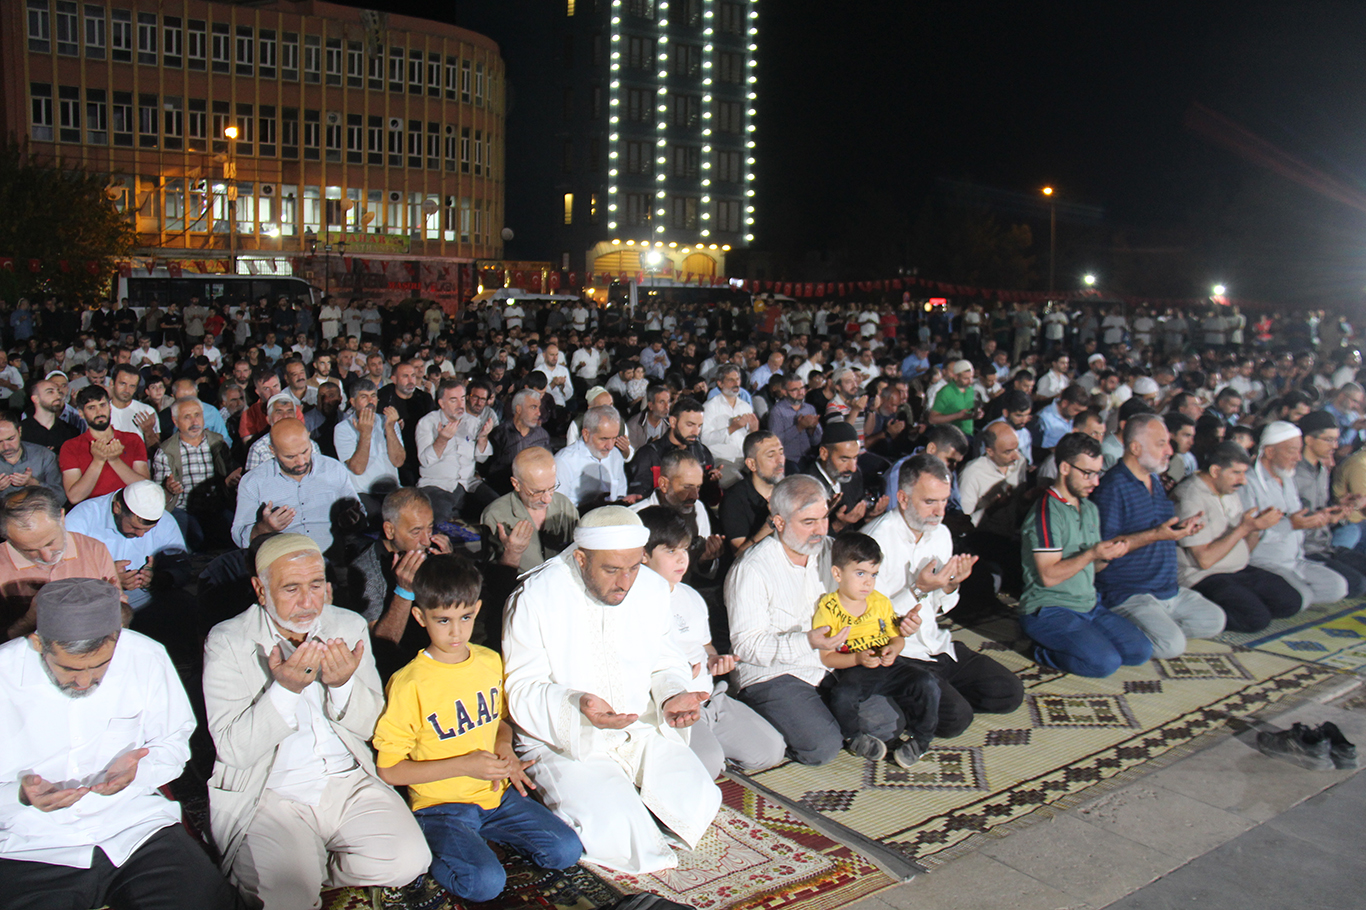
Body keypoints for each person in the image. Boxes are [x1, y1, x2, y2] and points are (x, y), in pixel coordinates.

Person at [203, 534, 431, 908]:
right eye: (291, 589)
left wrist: (342, 686)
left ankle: (310, 870)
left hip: (347, 780)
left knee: (409, 860)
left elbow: (379, 728)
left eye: (315, 586)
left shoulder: (348, 625)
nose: (309, 603)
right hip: (272, 794)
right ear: (260, 590)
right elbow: (233, 750)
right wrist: (286, 691)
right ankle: (296, 872)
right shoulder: (228, 641)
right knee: (286, 901)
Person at [502, 506, 720, 873]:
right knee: (622, 834)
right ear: (582, 558)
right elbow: (521, 687)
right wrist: (577, 704)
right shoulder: (537, 595)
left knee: (696, 802)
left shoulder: (650, 587)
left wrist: (672, 693)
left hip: (639, 726)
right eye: (612, 570)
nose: (625, 582)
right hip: (568, 738)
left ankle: (628, 792)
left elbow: (665, 659)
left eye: (633, 567)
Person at [0, 578, 240, 910]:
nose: (85, 682)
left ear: (116, 638)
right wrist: (19, 795)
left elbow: (173, 743)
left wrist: (138, 772)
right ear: (39, 643)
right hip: (31, 842)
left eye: (100, 666)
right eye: (70, 669)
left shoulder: (145, 656)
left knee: (206, 900)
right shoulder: (4, 675)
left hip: (133, 826)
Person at [373, 552, 585, 902]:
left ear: (477, 608)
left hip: (494, 795)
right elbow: (389, 770)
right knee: (485, 884)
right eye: (443, 620)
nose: (456, 632)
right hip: (440, 807)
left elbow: (501, 720)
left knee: (565, 851)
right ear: (420, 617)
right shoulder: (409, 683)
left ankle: (481, 839)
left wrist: (504, 747)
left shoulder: (489, 661)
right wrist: (465, 764)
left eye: (466, 616)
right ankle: (432, 852)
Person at [725, 475, 908, 766]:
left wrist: (899, 625)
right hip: (773, 673)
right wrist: (807, 641)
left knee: (889, 724)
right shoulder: (751, 569)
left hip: (828, 664)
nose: (820, 529)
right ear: (779, 522)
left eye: (824, 518)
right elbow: (747, 647)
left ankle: (819, 715)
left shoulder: (832, 552)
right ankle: (754, 717)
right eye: (808, 522)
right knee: (821, 748)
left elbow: (867, 599)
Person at [864, 455, 1024, 732]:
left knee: (1009, 692)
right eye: (929, 502)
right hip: (897, 653)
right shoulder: (874, 541)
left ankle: (934, 697)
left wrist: (950, 586)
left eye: (943, 501)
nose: (939, 511)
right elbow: (865, 619)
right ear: (902, 498)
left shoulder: (941, 534)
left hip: (935, 645)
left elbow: (940, 607)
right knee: (955, 719)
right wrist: (918, 589)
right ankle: (903, 699)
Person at [639, 506, 785, 779]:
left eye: (684, 550)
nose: (681, 559)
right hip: (670, 707)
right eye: (670, 551)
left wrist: (714, 659)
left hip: (710, 698)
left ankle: (706, 747)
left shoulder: (689, 595)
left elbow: (705, 645)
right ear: (643, 555)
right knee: (708, 764)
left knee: (772, 750)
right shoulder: (634, 602)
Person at [1091, 414, 1226, 658]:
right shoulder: (1112, 487)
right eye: (1161, 443)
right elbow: (1105, 548)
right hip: (1130, 592)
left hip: (1167, 591)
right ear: (1135, 447)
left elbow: (1155, 528)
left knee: (1215, 620)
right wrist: (1156, 535)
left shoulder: (1154, 479)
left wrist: (1180, 529)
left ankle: (1152, 627)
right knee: (1171, 646)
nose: (1169, 450)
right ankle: (1110, 626)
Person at [812, 532, 940, 767]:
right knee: (842, 696)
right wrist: (858, 659)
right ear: (837, 574)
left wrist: (893, 648)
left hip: (889, 665)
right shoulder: (828, 608)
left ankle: (921, 740)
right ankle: (854, 737)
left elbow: (897, 638)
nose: (868, 582)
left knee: (927, 683)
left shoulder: (880, 602)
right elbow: (828, 657)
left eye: (873, 574)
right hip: (856, 669)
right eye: (860, 573)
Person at [1172, 442, 1301, 633]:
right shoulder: (1190, 497)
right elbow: (1204, 561)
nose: (1243, 481)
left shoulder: (1227, 490)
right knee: (1256, 619)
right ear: (1215, 470)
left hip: (1236, 569)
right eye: (1236, 473)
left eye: (1244, 473)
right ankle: (1196, 613)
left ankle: (1240, 603)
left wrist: (1256, 528)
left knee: (1290, 601)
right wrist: (1243, 529)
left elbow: (1245, 548)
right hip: (1203, 576)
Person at [1240, 421, 1352, 608]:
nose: (1298, 458)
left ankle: (1288, 596)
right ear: (1269, 452)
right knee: (1301, 597)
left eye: (1299, 451)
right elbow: (1250, 531)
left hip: (1295, 561)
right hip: (1263, 562)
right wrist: (1291, 525)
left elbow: (1297, 518)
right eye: (1292, 451)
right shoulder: (1249, 483)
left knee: (1338, 587)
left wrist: (1322, 516)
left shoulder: (1287, 478)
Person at [0, 485, 124, 641]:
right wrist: (29, 621)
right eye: (29, 550)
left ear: (62, 517)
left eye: (51, 542)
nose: (46, 557)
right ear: (8, 539)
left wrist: (111, 605)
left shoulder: (93, 549)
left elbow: (122, 615)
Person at [231, 419, 361, 556]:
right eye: (290, 456)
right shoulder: (254, 482)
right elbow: (239, 537)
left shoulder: (333, 469)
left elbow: (360, 515)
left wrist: (353, 519)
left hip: (332, 558)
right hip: (283, 564)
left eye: (305, 451)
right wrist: (265, 528)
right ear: (272, 451)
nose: (301, 462)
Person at [482, 447, 580, 574]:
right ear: (516, 484)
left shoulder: (564, 505)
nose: (547, 499)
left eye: (551, 488)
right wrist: (513, 553)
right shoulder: (496, 515)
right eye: (537, 492)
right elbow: (494, 579)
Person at [416, 378, 493, 522]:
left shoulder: (472, 422)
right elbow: (425, 461)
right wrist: (442, 440)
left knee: (498, 508)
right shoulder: (427, 423)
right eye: (453, 400)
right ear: (441, 403)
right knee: (438, 520)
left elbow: (481, 458)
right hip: (438, 484)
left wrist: (483, 438)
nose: (460, 405)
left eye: (462, 399)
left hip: (467, 483)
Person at [59, 385, 151, 506]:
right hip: (90, 511)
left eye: (102, 405)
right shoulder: (70, 446)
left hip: (128, 508)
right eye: (91, 408)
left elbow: (144, 488)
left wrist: (114, 461)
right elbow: (75, 497)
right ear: (81, 413)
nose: (99, 412)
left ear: (109, 407)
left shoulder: (132, 440)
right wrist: (98, 461)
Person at [334, 379, 405, 517]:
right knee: (379, 518)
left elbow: (398, 461)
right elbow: (357, 468)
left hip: (392, 490)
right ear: (353, 402)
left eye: (373, 396)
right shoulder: (342, 429)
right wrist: (365, 434)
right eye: (364, 397)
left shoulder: (388, 422)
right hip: (363, 492)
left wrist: (390, 428)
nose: (370, 401)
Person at [803, 421, 888, 532]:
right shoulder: (805, 486)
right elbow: (805, 537)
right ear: (824, 453)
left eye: (855, 458)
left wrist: (868, 517)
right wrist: (838, 525)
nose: (852, 468)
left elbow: (854, 526)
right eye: (844, 459)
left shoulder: (854, 475)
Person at [628, 397, 716, 497]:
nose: (696, 432)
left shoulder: (703, 453)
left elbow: (709, 499)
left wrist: (710, 482)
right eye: (690, 425)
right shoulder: (649, 455)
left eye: (699, 426)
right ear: (673, 422)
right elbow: (638, 496)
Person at [555, 404, 633, 510]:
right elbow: (558, 508)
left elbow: (620, 492)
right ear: (586, 434)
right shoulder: (564, 462)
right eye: (604, 439)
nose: (610, 446)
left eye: (614, 438)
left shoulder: (616, 455)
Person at [719, 430, 784, 555]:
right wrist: (771, 523)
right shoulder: (734, 500)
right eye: (771, 455)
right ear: (752, 464)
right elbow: (739, 555)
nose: (779, 460)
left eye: (781, 453)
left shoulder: (788, 490)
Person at [378, 361, 436, 487]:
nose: (411, 380)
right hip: (394, 456)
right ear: (394, 379)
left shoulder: (424, 399)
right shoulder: (383, 398)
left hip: (420, 454)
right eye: (405, 376)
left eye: (413, 376)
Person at [701, 364, 759, 487]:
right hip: (722, 460)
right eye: (730, 380)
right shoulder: (710, 407)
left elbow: (750, 438)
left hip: (744, 458)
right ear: (720, 384)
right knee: (739, 484)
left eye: (737, 379)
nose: (735, 383)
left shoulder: (745, 406)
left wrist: (754, 431)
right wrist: (731, 429)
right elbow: (704, 439)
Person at [485, 388, 551, 492]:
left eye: (539, 407)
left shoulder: (542, 435)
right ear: (518, 409)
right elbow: (488, 469)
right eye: (533, 407)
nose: (539, 413)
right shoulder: (500, 434)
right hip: (504, 490)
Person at [0, 412, 64, 500]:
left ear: (19, 431)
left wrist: (34, 483)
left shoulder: (44, 456)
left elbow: (60, 497)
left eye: (11, 439)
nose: (6, 447)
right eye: (0, 442)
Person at [768, 374, 822, 470]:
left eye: (802, 388)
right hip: (788, 461)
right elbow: (776, 442)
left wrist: (812, 428)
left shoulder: (809, 409)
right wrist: (799, 427)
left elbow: (817, 441)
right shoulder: (777, 411)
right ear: (785, 392)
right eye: (795, 390)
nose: (800, 392)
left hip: (809, 458)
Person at [21, 378, 80, 455]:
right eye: (50, 392)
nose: (58, 395)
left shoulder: (71, 432)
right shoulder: (21, 431)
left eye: (58, 392)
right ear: (36, 399)